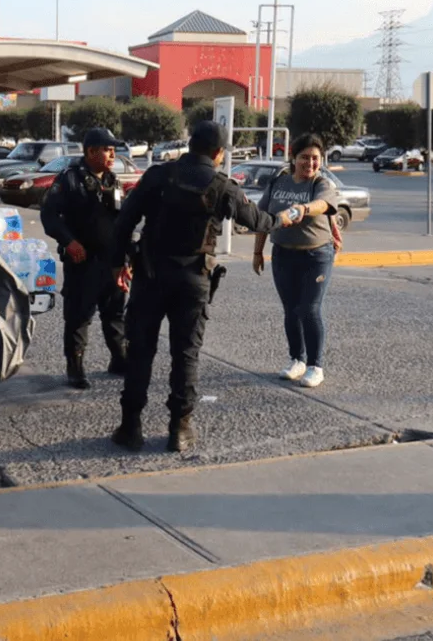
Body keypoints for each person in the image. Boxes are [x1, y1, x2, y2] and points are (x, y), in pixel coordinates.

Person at [109, 120, 299, 452]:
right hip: (193, 280)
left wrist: (118, 262)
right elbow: (257, 221)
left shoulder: (158, 175)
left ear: (189, 144)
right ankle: (179, 429)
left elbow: (125, 219)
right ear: (219, 152)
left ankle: (130, 426)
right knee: (186, 354)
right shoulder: (222, 185)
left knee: (140, 351)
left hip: (150, 276)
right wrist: (285, 217)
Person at [252, 133, 344, 389]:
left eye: (316, 158)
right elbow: (263, 217)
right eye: (305, 157)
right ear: (293, 158)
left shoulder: (321, 183)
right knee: (291, 309)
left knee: (309, 309)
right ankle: (297, 360)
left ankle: (316, 365)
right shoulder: (279, 182)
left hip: (316, 255)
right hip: (283, 253)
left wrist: (302, 209)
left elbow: (323, 204)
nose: (310, 163)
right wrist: (258, 252)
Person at [41, 127, 130, 389]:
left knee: (114, 313)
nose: (113, 154)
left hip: (110, 262)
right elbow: (48, 216)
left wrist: (126, 259)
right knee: (79, 316)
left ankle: (119, 359)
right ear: (91, 151)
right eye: (107, 149)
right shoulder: (69, 180)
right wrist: (69, 242)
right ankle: (75, 367)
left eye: (114, 150)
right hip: (82, 261)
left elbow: (123, 223)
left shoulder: (113, 180)